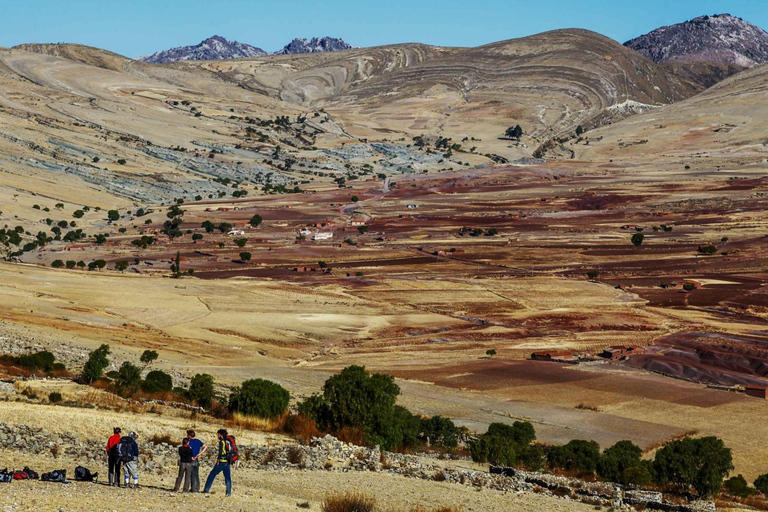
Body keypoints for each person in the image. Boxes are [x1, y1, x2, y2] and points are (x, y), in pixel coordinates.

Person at [203, 429, 232, 496]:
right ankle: (228, 493)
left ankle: (206, 489)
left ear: (220, 435)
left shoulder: (222, 442)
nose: (217, 436)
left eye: (218, 434)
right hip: (227, 462)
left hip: (221, 462)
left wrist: (218, 460)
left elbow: (221, 452)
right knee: (227, 478)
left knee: (212, 474)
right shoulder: (228, 441)